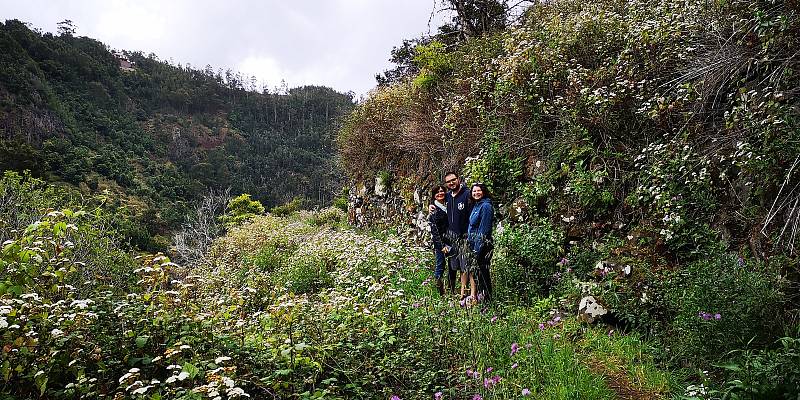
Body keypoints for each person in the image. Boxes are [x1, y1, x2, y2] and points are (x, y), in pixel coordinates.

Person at [431, 172, 472, 297]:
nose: (451, 183)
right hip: (447, 241)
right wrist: (430, 205)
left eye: (453, 180)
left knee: (462, 266)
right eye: (448, 181)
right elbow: (435, 230)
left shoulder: (465, 194)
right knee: (448, 265)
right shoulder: (444, 201)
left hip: (462, 238)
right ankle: (445, 291)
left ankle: (462, 292)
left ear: (458, 179)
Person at [467, 183, 494, 303]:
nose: (476, 193)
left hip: (482, 246)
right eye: (474, 191)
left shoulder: (486, 206)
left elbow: (484, 230)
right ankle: (481, 298)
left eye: (478, 191)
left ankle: (488, 300)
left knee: (483, 274)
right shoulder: (476, 205)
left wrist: (477, 249)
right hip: (474, 244)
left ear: (483, 192)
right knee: (477, 274)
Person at [428, 185, 450, 296]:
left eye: (442, 191)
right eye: (437, 192)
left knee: (453, 265)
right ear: (434, 196)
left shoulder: (449, 204)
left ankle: (451, 288)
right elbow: (435, 231)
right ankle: (440, 291)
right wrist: (442, 246)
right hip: (440, 243)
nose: (440, 193)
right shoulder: (434, 210)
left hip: (451, 240)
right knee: (440, 265)